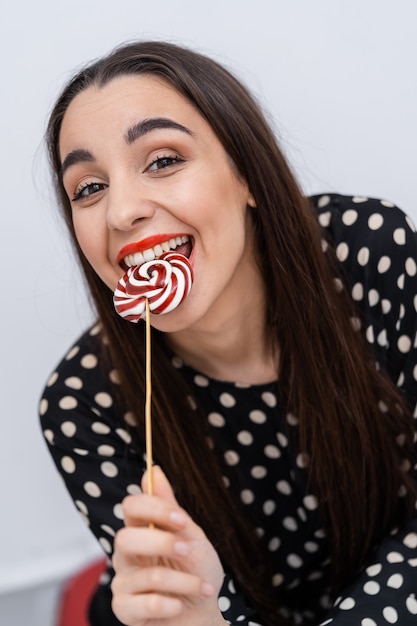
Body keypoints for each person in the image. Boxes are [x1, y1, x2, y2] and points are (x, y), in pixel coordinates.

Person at [39, 40, 417, 626]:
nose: (121, 213)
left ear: (247, 174)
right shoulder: (80, 401)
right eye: (88, 188)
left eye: (162, 160)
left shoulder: (374, 254)